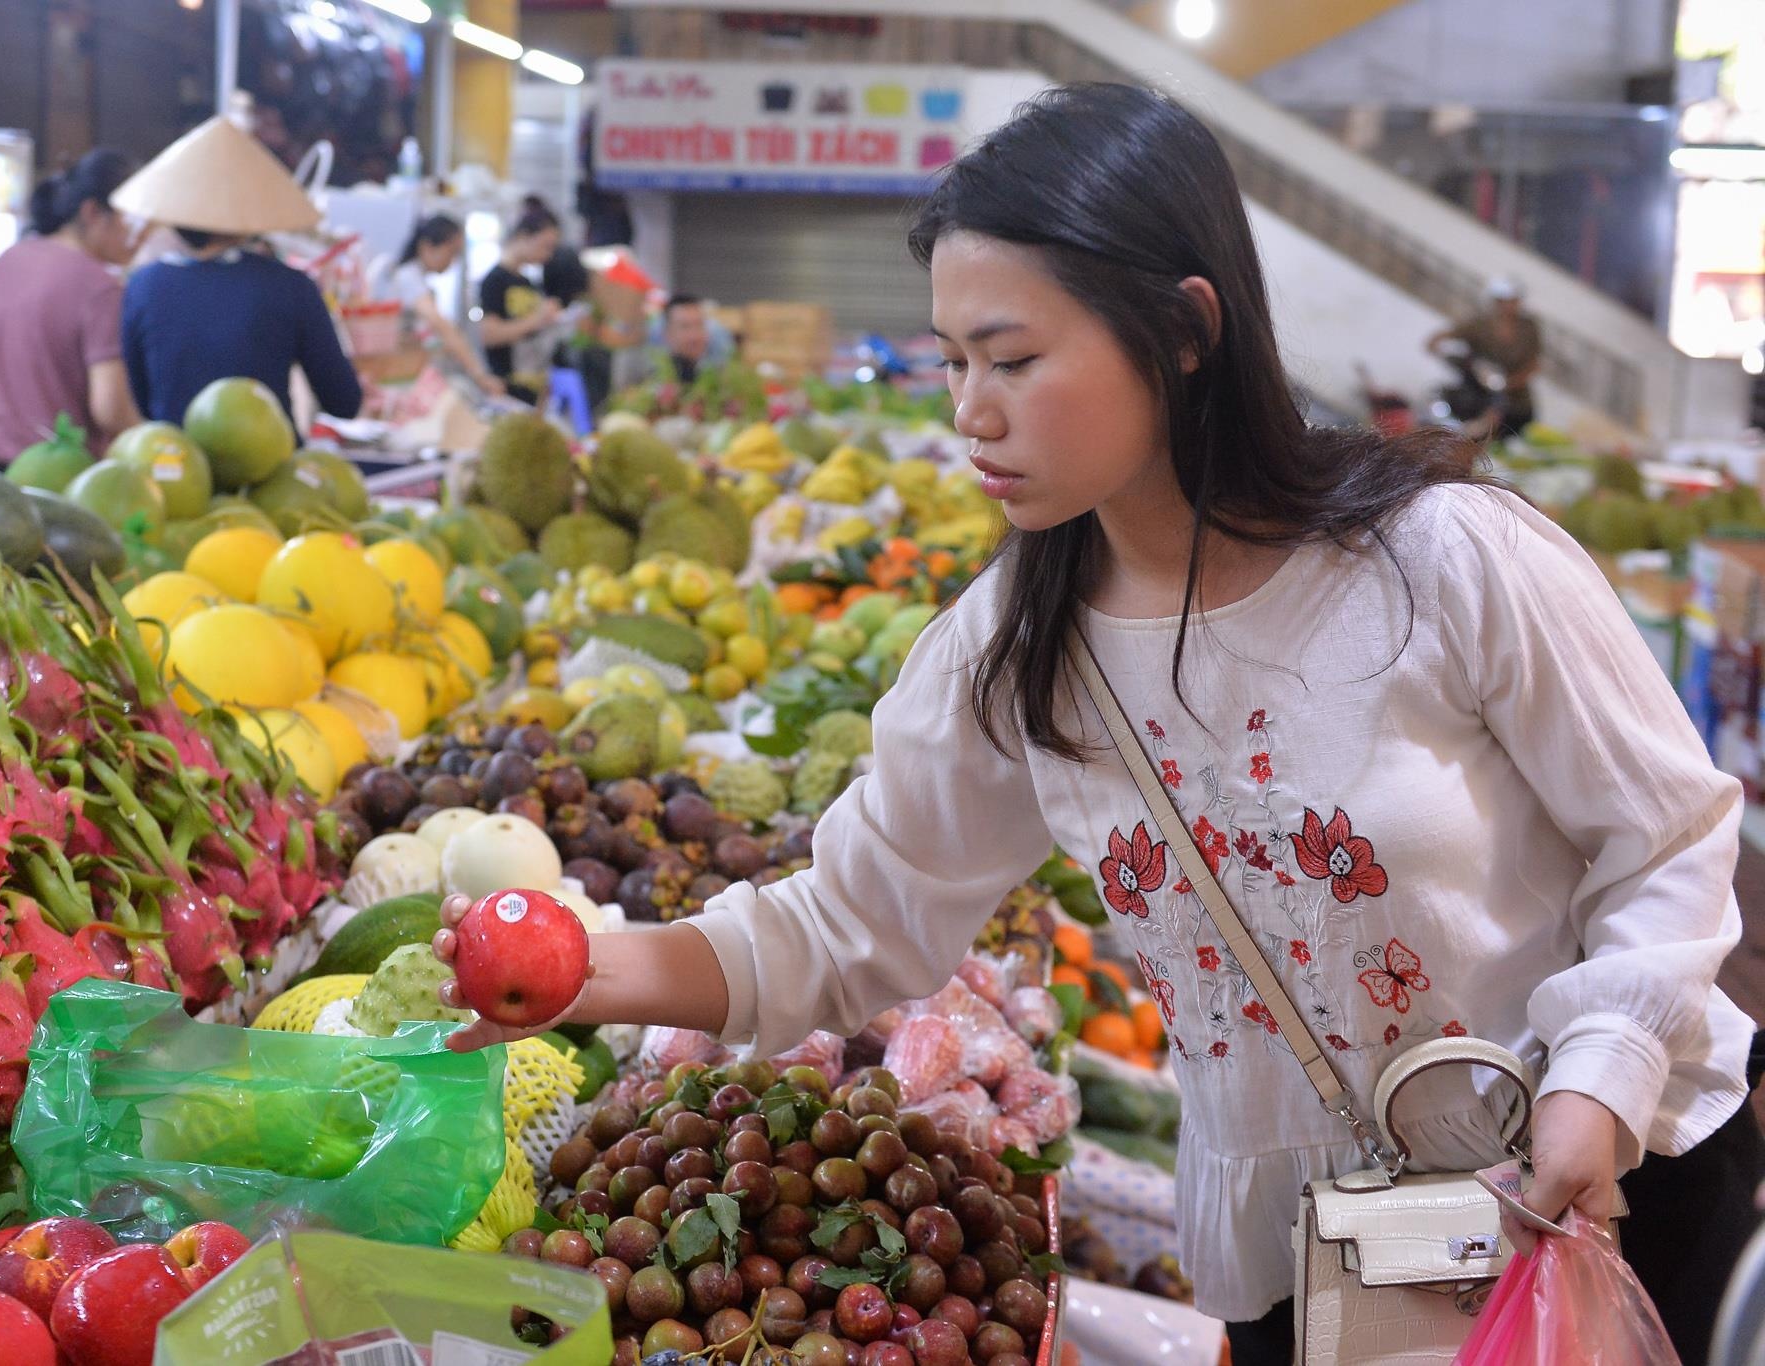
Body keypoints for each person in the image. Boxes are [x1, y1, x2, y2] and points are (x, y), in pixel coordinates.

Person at [433, 84, 1762, 1365]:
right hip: (1316, 1258)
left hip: (1593, 1183)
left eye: (1012, 357)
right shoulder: (1016, 649)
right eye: (954, 360)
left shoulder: (1444, 560)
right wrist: (574, 972)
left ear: (1186, 329)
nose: (971, 410)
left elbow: (1665, 835)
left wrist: (1602, 1074)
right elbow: (845, 926)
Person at [114, 116, 362, 429]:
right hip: (270, 471)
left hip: (174, 467)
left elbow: (143, 400)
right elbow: (344, 402)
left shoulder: (143, 286)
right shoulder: (291, 287)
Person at [0, 150, 144, 467]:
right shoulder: (99, 287)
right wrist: (156, 443)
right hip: (40, 474)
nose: (140, 237)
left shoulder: (12, 257)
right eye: (132, 220)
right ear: (91, 212)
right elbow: (110, 409)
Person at [381, 214, 504, 396]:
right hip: (396, 373)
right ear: (427, 246)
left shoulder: (418, 280)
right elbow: (441, 325)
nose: (452, 261)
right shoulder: (409, 277)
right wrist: (480, 375)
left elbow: (431, 334)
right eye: (452, 252)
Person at [1429, 276, 1543, 437]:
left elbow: (1534, 363)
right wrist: (1437, 345)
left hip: (1517, 402)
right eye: (1504, 300)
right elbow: (1445, 336)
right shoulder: (1479, 325)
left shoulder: (1528, 327)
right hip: (1480, 396)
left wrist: (1507, 384)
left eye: (1513, 300)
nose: (1509, 305)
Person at [476, 205, 566, 404]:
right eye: (545, 246)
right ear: (524, 236)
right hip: (506, 389)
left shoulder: (529, 282)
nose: (548, 255)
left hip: (535, 389)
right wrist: (537, 319)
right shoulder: (494, 280)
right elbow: (489, 335)